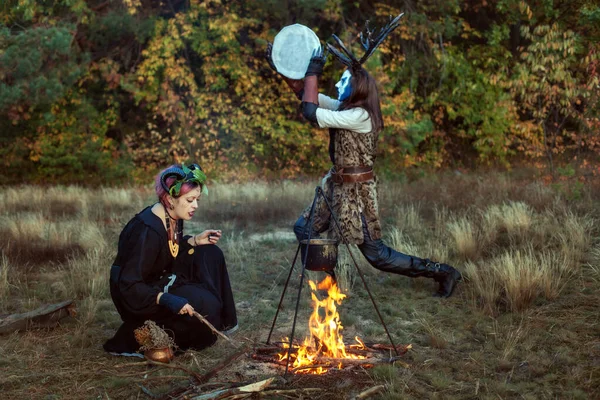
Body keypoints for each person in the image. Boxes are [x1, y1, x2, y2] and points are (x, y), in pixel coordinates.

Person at [266, 16, 461, 298]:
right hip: (335, 186)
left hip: (356, 194)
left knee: (377, 256)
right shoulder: (345, 110)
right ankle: (331, 279)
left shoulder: (360, 116)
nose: (337, 86)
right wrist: (286, 70)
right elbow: (305, 98)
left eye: (343, 80)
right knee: (303, 228)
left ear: (358, 87)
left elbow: (310, 112)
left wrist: (311, 73)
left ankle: (442, 272)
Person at [103, 163, 238, 355]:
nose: (195, 206)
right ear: (169, 199)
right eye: (190, 200)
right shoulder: (147, 232)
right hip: (139, 297)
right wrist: (166, 299)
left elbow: (168, 252)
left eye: (197, 199)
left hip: (160, 280)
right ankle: (140, 333)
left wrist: (194, 241)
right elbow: (129, 284)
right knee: (204, 304)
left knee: (210, 253)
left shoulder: (173, 215)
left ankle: (219, 320)